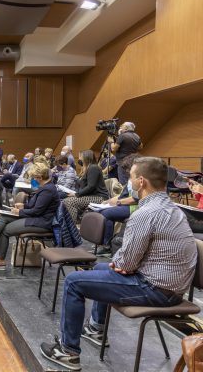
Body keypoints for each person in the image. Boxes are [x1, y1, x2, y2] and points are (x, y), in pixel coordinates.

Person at [40, 157, 197, 371]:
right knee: (99, 268)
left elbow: (127, 263)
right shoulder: (173, 208)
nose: (129, 183)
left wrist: (120, 264)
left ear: (141, 182)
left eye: (131, 177)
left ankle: (68, 352)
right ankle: (96, 327)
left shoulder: (145, 214)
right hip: (171, 286)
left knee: (74, 282)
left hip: (156, 290)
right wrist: (119, 265)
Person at [0, 163, 60, 270]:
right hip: (34, 217)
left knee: (4, 230)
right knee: (3, 216)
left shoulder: (48, 190)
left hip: (41, 222)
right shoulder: (45, 187)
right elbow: (36, 206)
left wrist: (19, 212)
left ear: (39, 177)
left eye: (33, 178)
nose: (33, 180)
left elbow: (37, 211)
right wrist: (23, 206)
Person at [63, 150, 109, 223]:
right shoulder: (88, 168)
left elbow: (91, 186)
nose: (79, 159)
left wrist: (76, 194)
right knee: (66, 200)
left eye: (81, 157)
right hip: (91, 196)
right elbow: (83, 185)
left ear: (86, 158)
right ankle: (74, 222)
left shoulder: (93, 168)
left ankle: (72, 226)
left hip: (99, 197)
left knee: (69, 201)